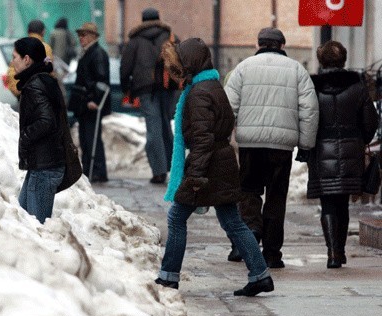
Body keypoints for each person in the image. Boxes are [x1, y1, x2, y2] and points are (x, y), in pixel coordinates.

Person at [154, 37, 274, 296]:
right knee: (233, 221)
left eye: (182, 61)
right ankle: (260, 274)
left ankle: (169, 276)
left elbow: (202, 139)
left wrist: (195, 175)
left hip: (209, 167)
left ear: (192, 62)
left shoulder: (198, 93)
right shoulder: (210, 85)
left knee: (177, 218)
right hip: (221, 163)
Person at [224, 27, 319, 268]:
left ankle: (249, 235)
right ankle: (272, 253)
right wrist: (306, 145)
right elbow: (309, 110)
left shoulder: (243, 68)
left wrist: (224, 138)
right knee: (276, 196)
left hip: (250, 144)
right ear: (282, 46)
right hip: (281, 147)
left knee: (248, 191)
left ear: (259, 44)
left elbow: (228, 106)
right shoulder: (297, 70)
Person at [303, 41, 379, 268]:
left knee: (327, 202)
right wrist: (361, 139)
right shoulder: (358, 86)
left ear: (321, 60)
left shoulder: (312, 87)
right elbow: (370, 121)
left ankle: (332, 252)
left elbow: (307, 119)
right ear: (343, 60)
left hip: (321, 151)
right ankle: (340, 250)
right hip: (351, 150)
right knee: (342, 202)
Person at [120, 8, 178, 184]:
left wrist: (126, 88)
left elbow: (125, 67)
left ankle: (159, 171)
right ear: (158, 19)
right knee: (166, 126)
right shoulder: (169, 36)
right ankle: (172, 166)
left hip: (146, 89)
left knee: (153, 128)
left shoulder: (135, 41)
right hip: (168, 87)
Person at [12, 37, 65, 224]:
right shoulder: (43, 80)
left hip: (44, 167)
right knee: (25, 223)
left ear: (27, 59)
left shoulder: (35, 85)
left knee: (37, 228)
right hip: (41, 165)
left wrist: (25, 136)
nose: (12, 62)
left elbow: (47, 120)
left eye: (15, 57)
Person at [67, 22, 110, 183]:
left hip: (92, 104)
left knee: (92, 138)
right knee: (85, 138)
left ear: (92, 36)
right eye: (80, 35)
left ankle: (98, 171)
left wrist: (95, 100)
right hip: (83, 103)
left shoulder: (97, 53)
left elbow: (101, 80)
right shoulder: (87, 53)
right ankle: (89, 169)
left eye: (83, 35)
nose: (80, 38)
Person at [6, 20, 54, 99]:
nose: (13, 61)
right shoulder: (46, 48)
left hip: (24, 91)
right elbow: (49, 70)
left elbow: (11, 72)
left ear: (28, 31)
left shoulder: (21, 47)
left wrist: (17, 90)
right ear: (43, 32)